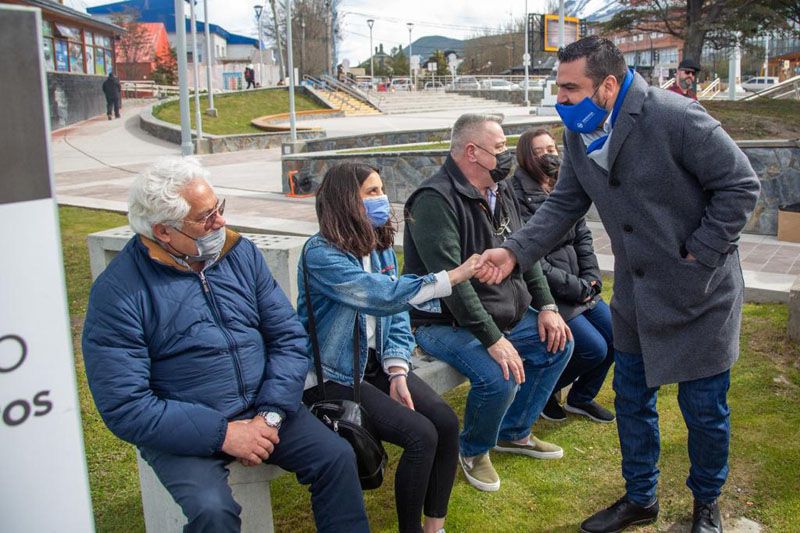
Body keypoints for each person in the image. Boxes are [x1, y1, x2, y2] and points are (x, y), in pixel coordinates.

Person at [476, 36, 760, 533]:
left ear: (608, 86)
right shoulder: (578, 133)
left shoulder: (677, 117)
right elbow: (565, 203)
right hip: (636, 295)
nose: (560, 99)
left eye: (570, 88)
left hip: (701, 294)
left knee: (704, 411)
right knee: (632, 402)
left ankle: (706, 504)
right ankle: (641, 498)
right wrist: (515, 250)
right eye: (558, 88)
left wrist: (702, 251)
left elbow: (740, 185)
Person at [82, 157, 369, 533]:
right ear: (163, 231)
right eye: (205, 217)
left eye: (219, 207)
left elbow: (288, 338)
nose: (220, 222)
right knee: (213, 512)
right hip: (184, 428)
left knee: (336, 458)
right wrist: (225, 434)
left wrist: (270, 414)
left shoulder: (239, 253)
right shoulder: (118, 293)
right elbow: (126, 405)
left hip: (264, 406)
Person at [299, 162, 474, 533]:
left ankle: (434, 527)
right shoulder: (320, 254)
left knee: (444, 422)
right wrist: (450, 277)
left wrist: (397, 370)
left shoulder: (377, 246)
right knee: (420, 435)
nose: (382, 199)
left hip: (376, 365)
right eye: (372, 192)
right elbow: (383, 295)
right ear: (346, 199)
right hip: (335, 373)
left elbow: (395, 314)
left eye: (381, 189)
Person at [403, 113, 574, 493]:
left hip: (498, 310)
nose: (507, 155)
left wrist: (547, 307)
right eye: (499, 148)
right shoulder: (434, 200)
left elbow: (524, 252)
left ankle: (513, 432)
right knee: (500, 376)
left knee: (558, 343)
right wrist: (494, 339)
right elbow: (453, 285)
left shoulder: (501, 189)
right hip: (442, 321)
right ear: (472, 152)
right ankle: (474, 449)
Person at [510, 128, 615, 424]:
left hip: (580, 286)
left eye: (551, 149)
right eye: (539, 151)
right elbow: (533, 259)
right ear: (526, 157)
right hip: (550, 292)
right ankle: (543, 393)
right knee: (593, 348)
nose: (549, 155)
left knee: (618, 338)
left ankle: (581, 398)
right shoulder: (516, 196)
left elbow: (583, 237)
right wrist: (575, 287)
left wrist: (591, 278)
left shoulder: (563, 185)